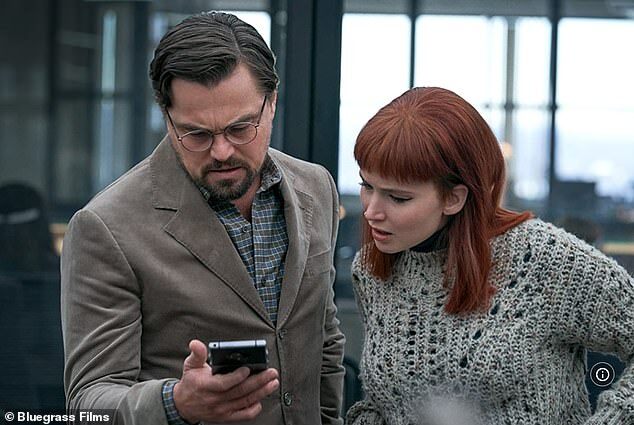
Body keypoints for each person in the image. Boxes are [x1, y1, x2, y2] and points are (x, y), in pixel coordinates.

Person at [61, 12, 345, 425]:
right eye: (197, 134)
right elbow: (88, 404)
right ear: (166, 115)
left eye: (241, 128)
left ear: (272, 102)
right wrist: (176, 403)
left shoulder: (316, 187)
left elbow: (324, 343)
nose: (222, 151)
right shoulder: (105, 227)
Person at [345, 87, 634, 424]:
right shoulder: (372, 270)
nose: (371, 211)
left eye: (398, 198)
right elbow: (389, 401)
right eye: (367, 186)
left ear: (454, 198)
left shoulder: (543, 259)